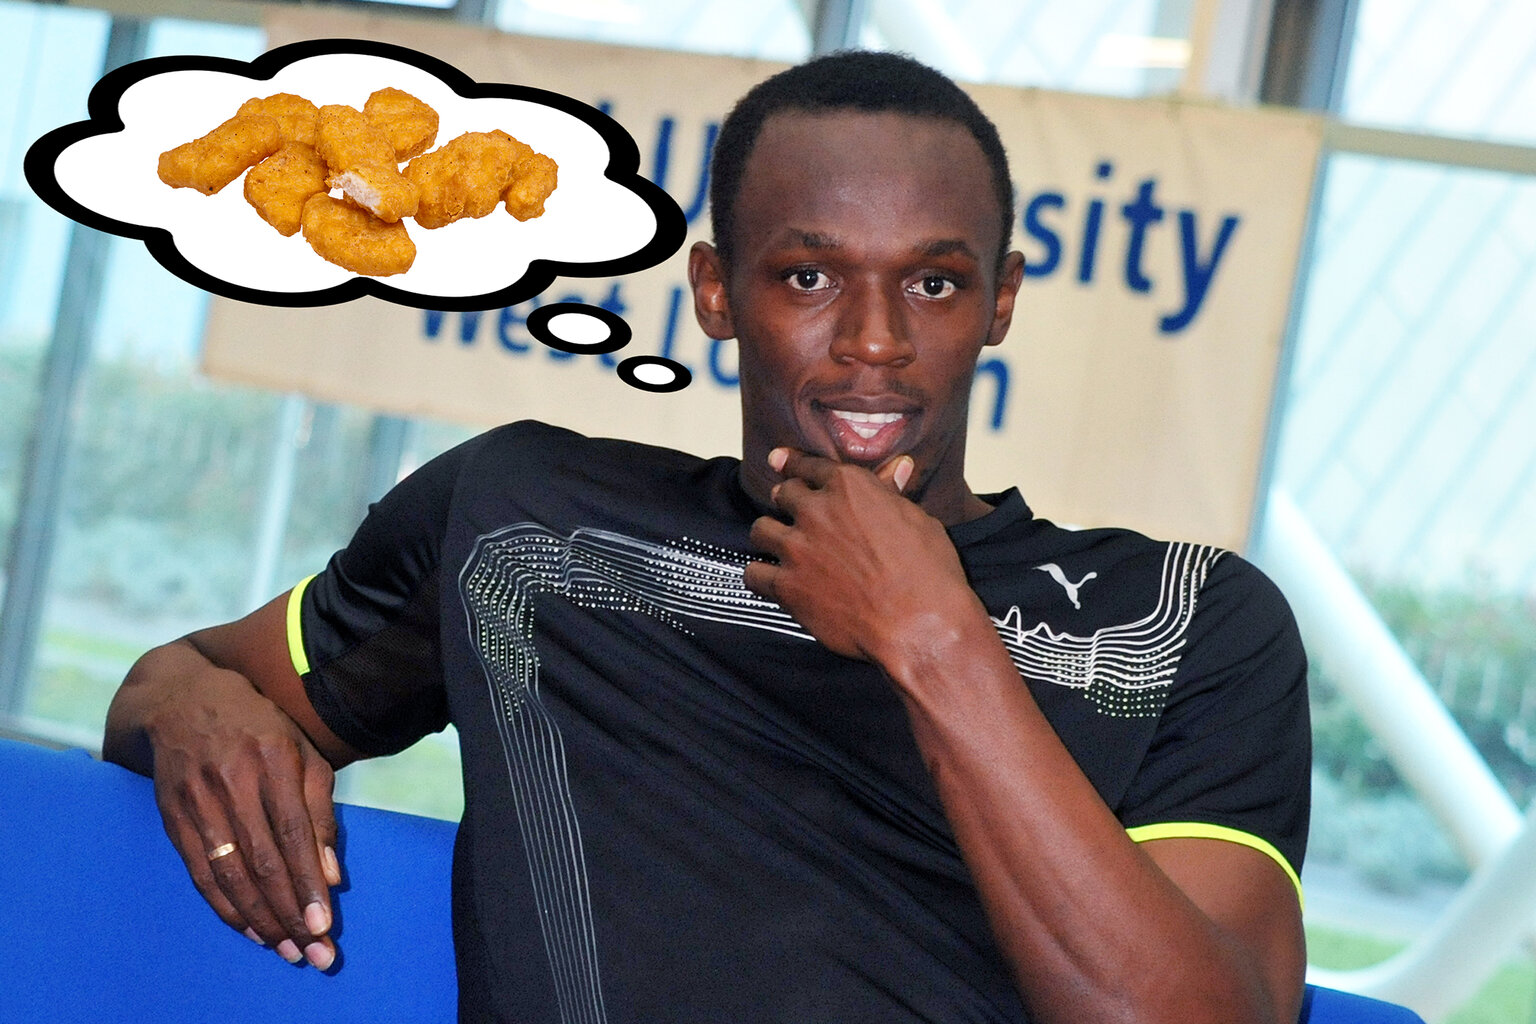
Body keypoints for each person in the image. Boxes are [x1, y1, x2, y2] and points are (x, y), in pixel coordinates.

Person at [104, 50, 1310, 1024]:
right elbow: (179, 680)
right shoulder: (526, 525)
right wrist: (190, 710)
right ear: (717, 293)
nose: (875, 340)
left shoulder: (1184, 621)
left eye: (934, 284)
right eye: (809, 278)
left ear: (1000, 301)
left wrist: (935, 638)